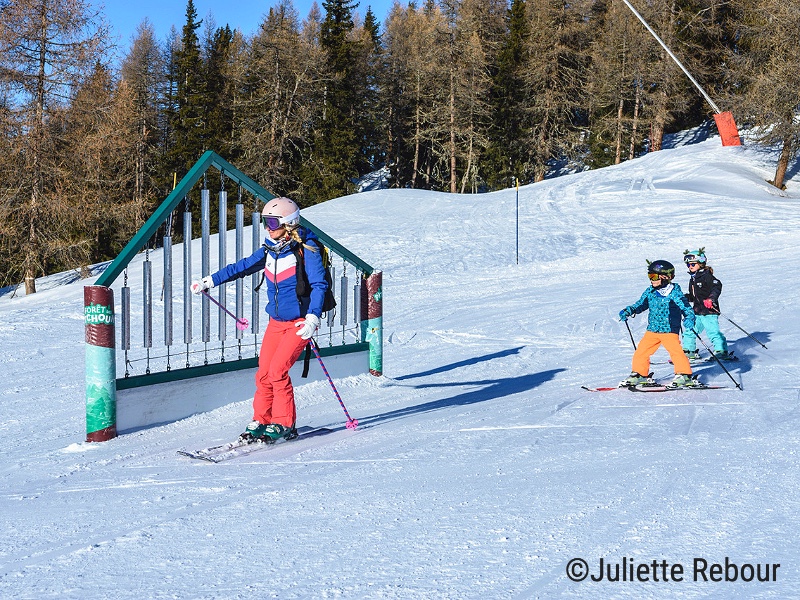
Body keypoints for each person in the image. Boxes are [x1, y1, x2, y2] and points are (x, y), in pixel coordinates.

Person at [190, 197, 328, 442]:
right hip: (276, 323)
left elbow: (319, 284)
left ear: (289, 224)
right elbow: (240, 267)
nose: (268, 227)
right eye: (265, 221)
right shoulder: (269, 250)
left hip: (299, 323)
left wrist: (313, 318)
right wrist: (208, 281)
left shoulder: (307, 249)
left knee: (277, 371)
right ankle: (262, 420)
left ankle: (285, 423)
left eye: (273, 222)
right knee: (263, 373)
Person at [618, 260, 699, 388]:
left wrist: (689, 317)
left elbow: (685, 307)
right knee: (642, 351)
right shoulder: (650, 291)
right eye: (650, 276)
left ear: (666, 277)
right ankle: (639, 374)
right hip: (653, 329)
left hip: (669, 329)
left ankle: (684, 375)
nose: (651, 280)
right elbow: (641, 304)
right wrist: (630, 310)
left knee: (676, 352)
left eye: (654, 277)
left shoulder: (674, 292)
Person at [681, 248, 732, 360]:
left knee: (712, 332)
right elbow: (694, 296)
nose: (690, 266)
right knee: (690, 330)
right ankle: (689, 351)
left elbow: (717, 286)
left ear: (701, 263)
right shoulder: (693, 278)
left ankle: (721, 351)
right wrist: (683, 298)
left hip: (709, 311)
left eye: (693, 264)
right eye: (688, 265)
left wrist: (711, 299)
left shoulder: (706, 276)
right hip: (697, 311)